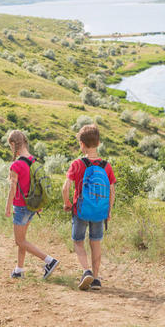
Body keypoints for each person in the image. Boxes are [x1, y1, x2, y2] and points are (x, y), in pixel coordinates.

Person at [62, 124, 116, 290]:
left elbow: (65, 188)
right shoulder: (106, 166)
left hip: (81, 210)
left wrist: (67, 203)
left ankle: (86, 271)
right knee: (96, 243)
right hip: (100, 211)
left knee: (78, 242)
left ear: (81, 144)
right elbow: (112, 191)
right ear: (98, 143)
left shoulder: (77, 164)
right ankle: (96, 279)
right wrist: (108, 211)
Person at [4, 130, 59, 279]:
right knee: (23, 240)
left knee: (20, 240)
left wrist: (7, 207)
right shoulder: (34, 161)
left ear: (14, 144)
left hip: (21, 207)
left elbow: (13, 188)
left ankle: (49, 261)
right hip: (32, 207)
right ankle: (18, 270)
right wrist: (38, 204)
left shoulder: (16, 165)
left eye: (10, 146)